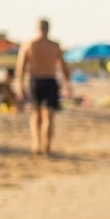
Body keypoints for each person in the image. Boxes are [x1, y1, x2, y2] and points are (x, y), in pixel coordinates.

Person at [15, 19, 71, 155]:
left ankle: (38, 144)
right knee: (47, 116)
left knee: (37, 115)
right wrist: (67, 84)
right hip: (49, 79)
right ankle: (45, 146)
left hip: (35, 79)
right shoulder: (54, 46)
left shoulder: (29, 44)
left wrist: (20, 85)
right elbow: (64, 67)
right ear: (49, 28)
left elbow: (20, 67)